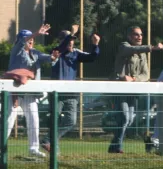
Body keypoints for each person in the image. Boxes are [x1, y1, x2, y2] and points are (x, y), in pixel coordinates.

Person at [40, 25, 100, 153]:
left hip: (71, 94)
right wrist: (72, 33)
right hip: (56, 93)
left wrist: (95, 45)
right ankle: (54, 149)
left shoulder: (76, 53)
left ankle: (47, 140)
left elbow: (92, 57)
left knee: (71, 121)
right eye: (69, 41)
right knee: (54, 119)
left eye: (72, 41)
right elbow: (61, 48)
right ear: (62, 40)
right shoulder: (56, 52)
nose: (71, 44)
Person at [6, 24, 60, 158]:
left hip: (30, 94)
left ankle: (33, 148)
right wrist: (36, 33)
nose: (30, 41)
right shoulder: (16, 51)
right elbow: (22, 41)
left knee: (34, 121)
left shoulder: (35, 52)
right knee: (8, 121)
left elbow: (49, 58)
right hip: (15, 93)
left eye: (32, 39)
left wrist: (53, 57)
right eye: (27, 38)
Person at [109, 26, 163, 153]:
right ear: (129, 36)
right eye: (136, 35)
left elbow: (146, 75)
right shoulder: (124, 46)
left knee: (130, 119)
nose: (139, 37)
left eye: (141, 35)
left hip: (133, 91)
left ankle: (114, 145)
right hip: (119, 89)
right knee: (124, 117)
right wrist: (152, 48)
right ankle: (117, 147)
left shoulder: (142, 54)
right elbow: (130, 49)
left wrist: (133, 79)